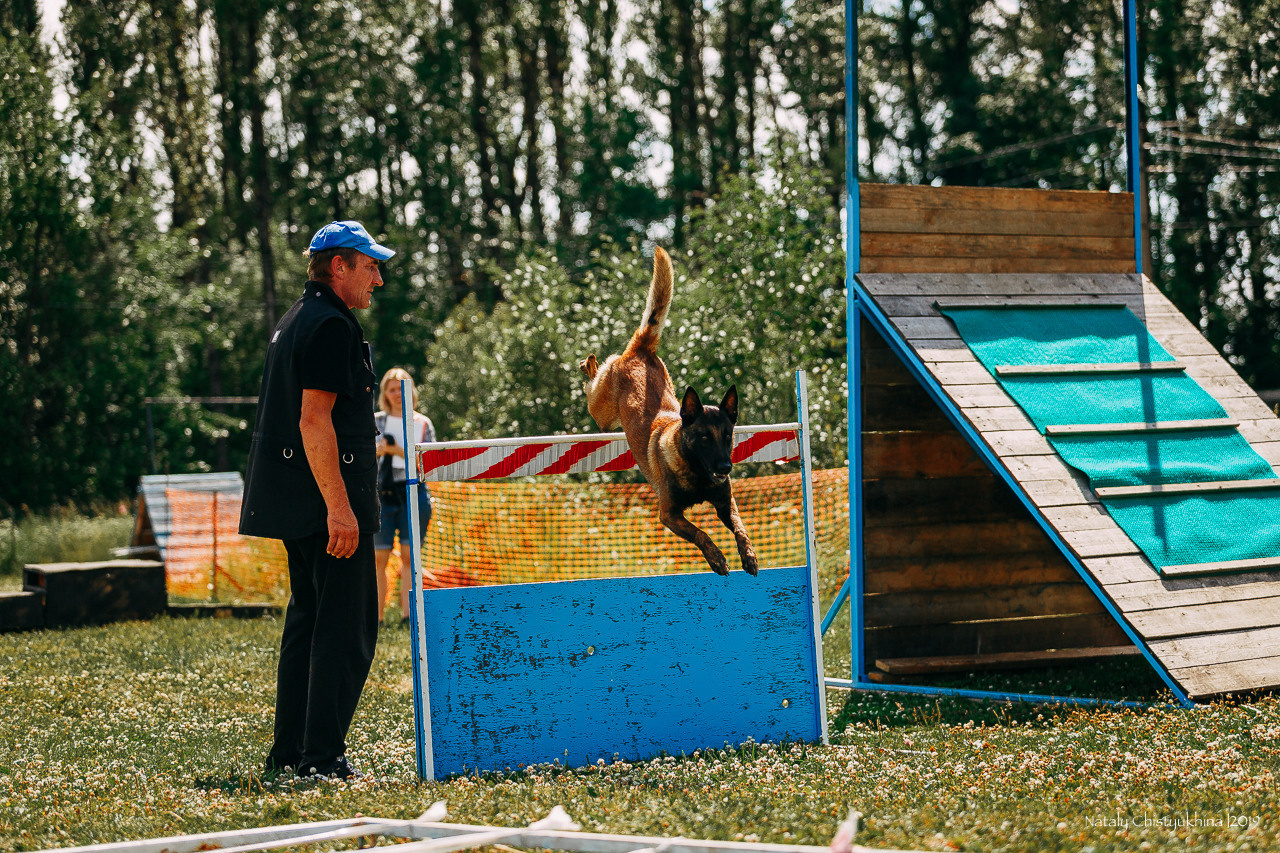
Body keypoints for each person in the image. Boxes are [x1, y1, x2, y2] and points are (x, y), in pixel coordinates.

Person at [238, 220, 394, 782]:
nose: (378, 278)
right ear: (339, 267)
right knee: (344, 631)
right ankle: (321, 759)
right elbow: (313, 421)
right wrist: (340, 508)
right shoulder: (330, 324)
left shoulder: (295, 319)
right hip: (328, 503)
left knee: (307, 625)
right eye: (370, 265)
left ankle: (291, 753)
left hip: (296, 502)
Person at [374, 367, 435, 622]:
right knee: (378, 557)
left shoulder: (422, 422)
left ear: (411, 391)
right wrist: (381, 451)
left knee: (411, 556)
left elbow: (429, 461)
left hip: (414, 491)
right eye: (391, 388)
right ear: (385, 393)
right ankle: (375, 616)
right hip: (380, 493)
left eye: (402, 387)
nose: (397, 393)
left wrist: (395, 450)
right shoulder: (375, 420)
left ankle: (408, 616)